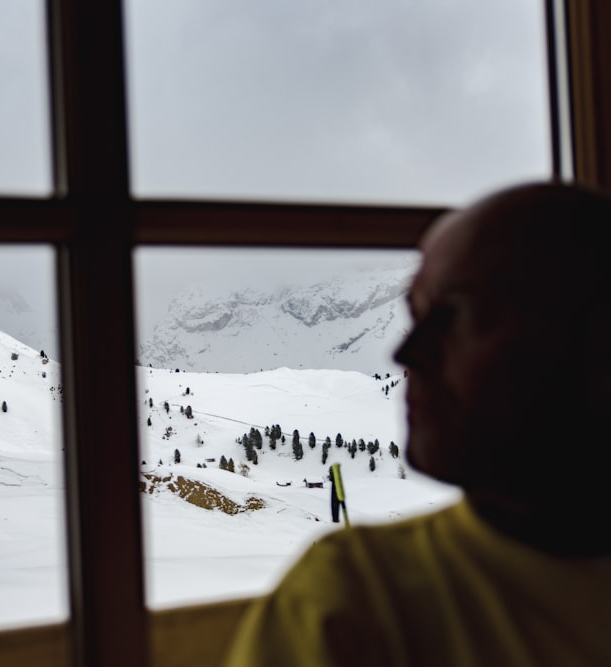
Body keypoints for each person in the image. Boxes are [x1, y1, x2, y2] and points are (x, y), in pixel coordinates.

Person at [222, 181, 611, 666]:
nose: (407, 353)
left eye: (462, 315)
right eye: (417, 316)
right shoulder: (350, 600)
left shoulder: (376, 593)